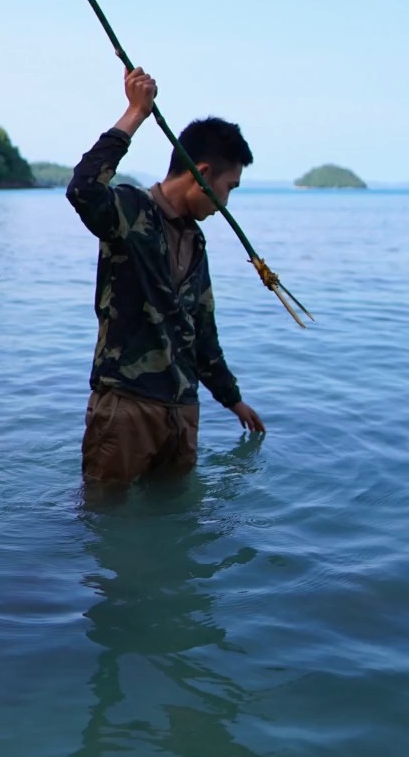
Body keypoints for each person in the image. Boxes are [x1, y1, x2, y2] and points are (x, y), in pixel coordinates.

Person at [67, 65, 266, 485]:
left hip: (182, 411)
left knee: (177, 527)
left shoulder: (196, 244)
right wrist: (135, 113)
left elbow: (202, 333)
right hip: (126, 406)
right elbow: (83, 189)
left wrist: (233, 401)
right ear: (203, 173)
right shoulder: (130, 211)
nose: (226, 203)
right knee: (106, 525)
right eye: (229, 187)